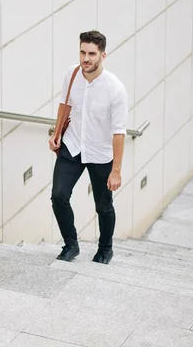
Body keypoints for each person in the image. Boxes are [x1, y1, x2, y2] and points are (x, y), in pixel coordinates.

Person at [48, 30, 128, 265]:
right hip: (72, 146)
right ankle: (71, 245)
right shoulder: (72, 74)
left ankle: (105, 249)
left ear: (103, 55)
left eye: (92, 53)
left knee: (103, 206)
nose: (86, 58)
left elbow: (119, 132)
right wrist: (57, 132)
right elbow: (65, 104)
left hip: (100, 153)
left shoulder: (115, 89)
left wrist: (116, 170)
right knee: (58, 195)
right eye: (83, 52)